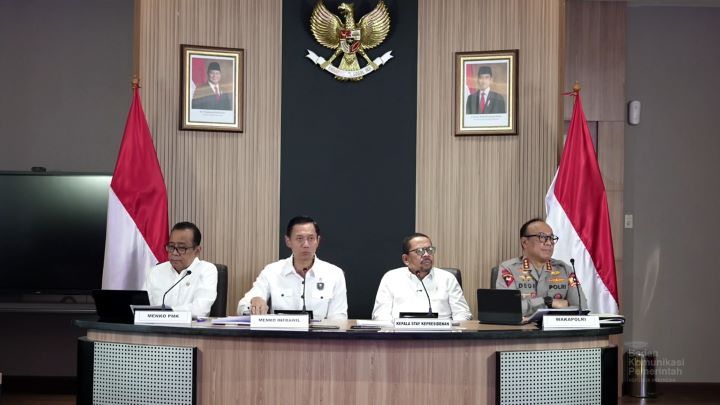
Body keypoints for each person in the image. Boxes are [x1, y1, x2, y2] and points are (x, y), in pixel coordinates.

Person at [237, 216, 348, 320]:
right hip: (280, 333)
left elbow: (339, 319)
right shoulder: (272, 271)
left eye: (311, 238)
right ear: (288, 241)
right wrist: (255, 301)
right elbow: (242, 306)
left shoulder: (334, 274)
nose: (306, 244)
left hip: (319, 334)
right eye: (299, 238)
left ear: (318, 241)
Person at [496, 218, 588, 316]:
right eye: (542, 237)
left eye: (551, 238)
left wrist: (529, 307)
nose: (549, 243)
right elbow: (508, 308)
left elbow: (581, 308)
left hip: (555, 325)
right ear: (524, 242)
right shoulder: (509, 269)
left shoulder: (565, 270)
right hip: (525, 326)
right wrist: (546, 301)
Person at [372, 233, 472, 321]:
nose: (426, 254)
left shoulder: (447, 278)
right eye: (420, 251)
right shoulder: (391, 278)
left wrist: (452, 332)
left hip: (441, 334)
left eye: (430, 250)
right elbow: (380, 315)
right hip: (401, 334)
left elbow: (462, 314)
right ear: (406, 259)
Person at [144, 222, 218, 318]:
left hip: (192, 327)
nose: (174, 253)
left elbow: (200, 310)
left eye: (181, 248)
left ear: (197, 251)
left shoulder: (206, 270)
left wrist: (164, 313)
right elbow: (143, 307)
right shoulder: (156, 271)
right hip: (155, 326)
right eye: (171, 247)